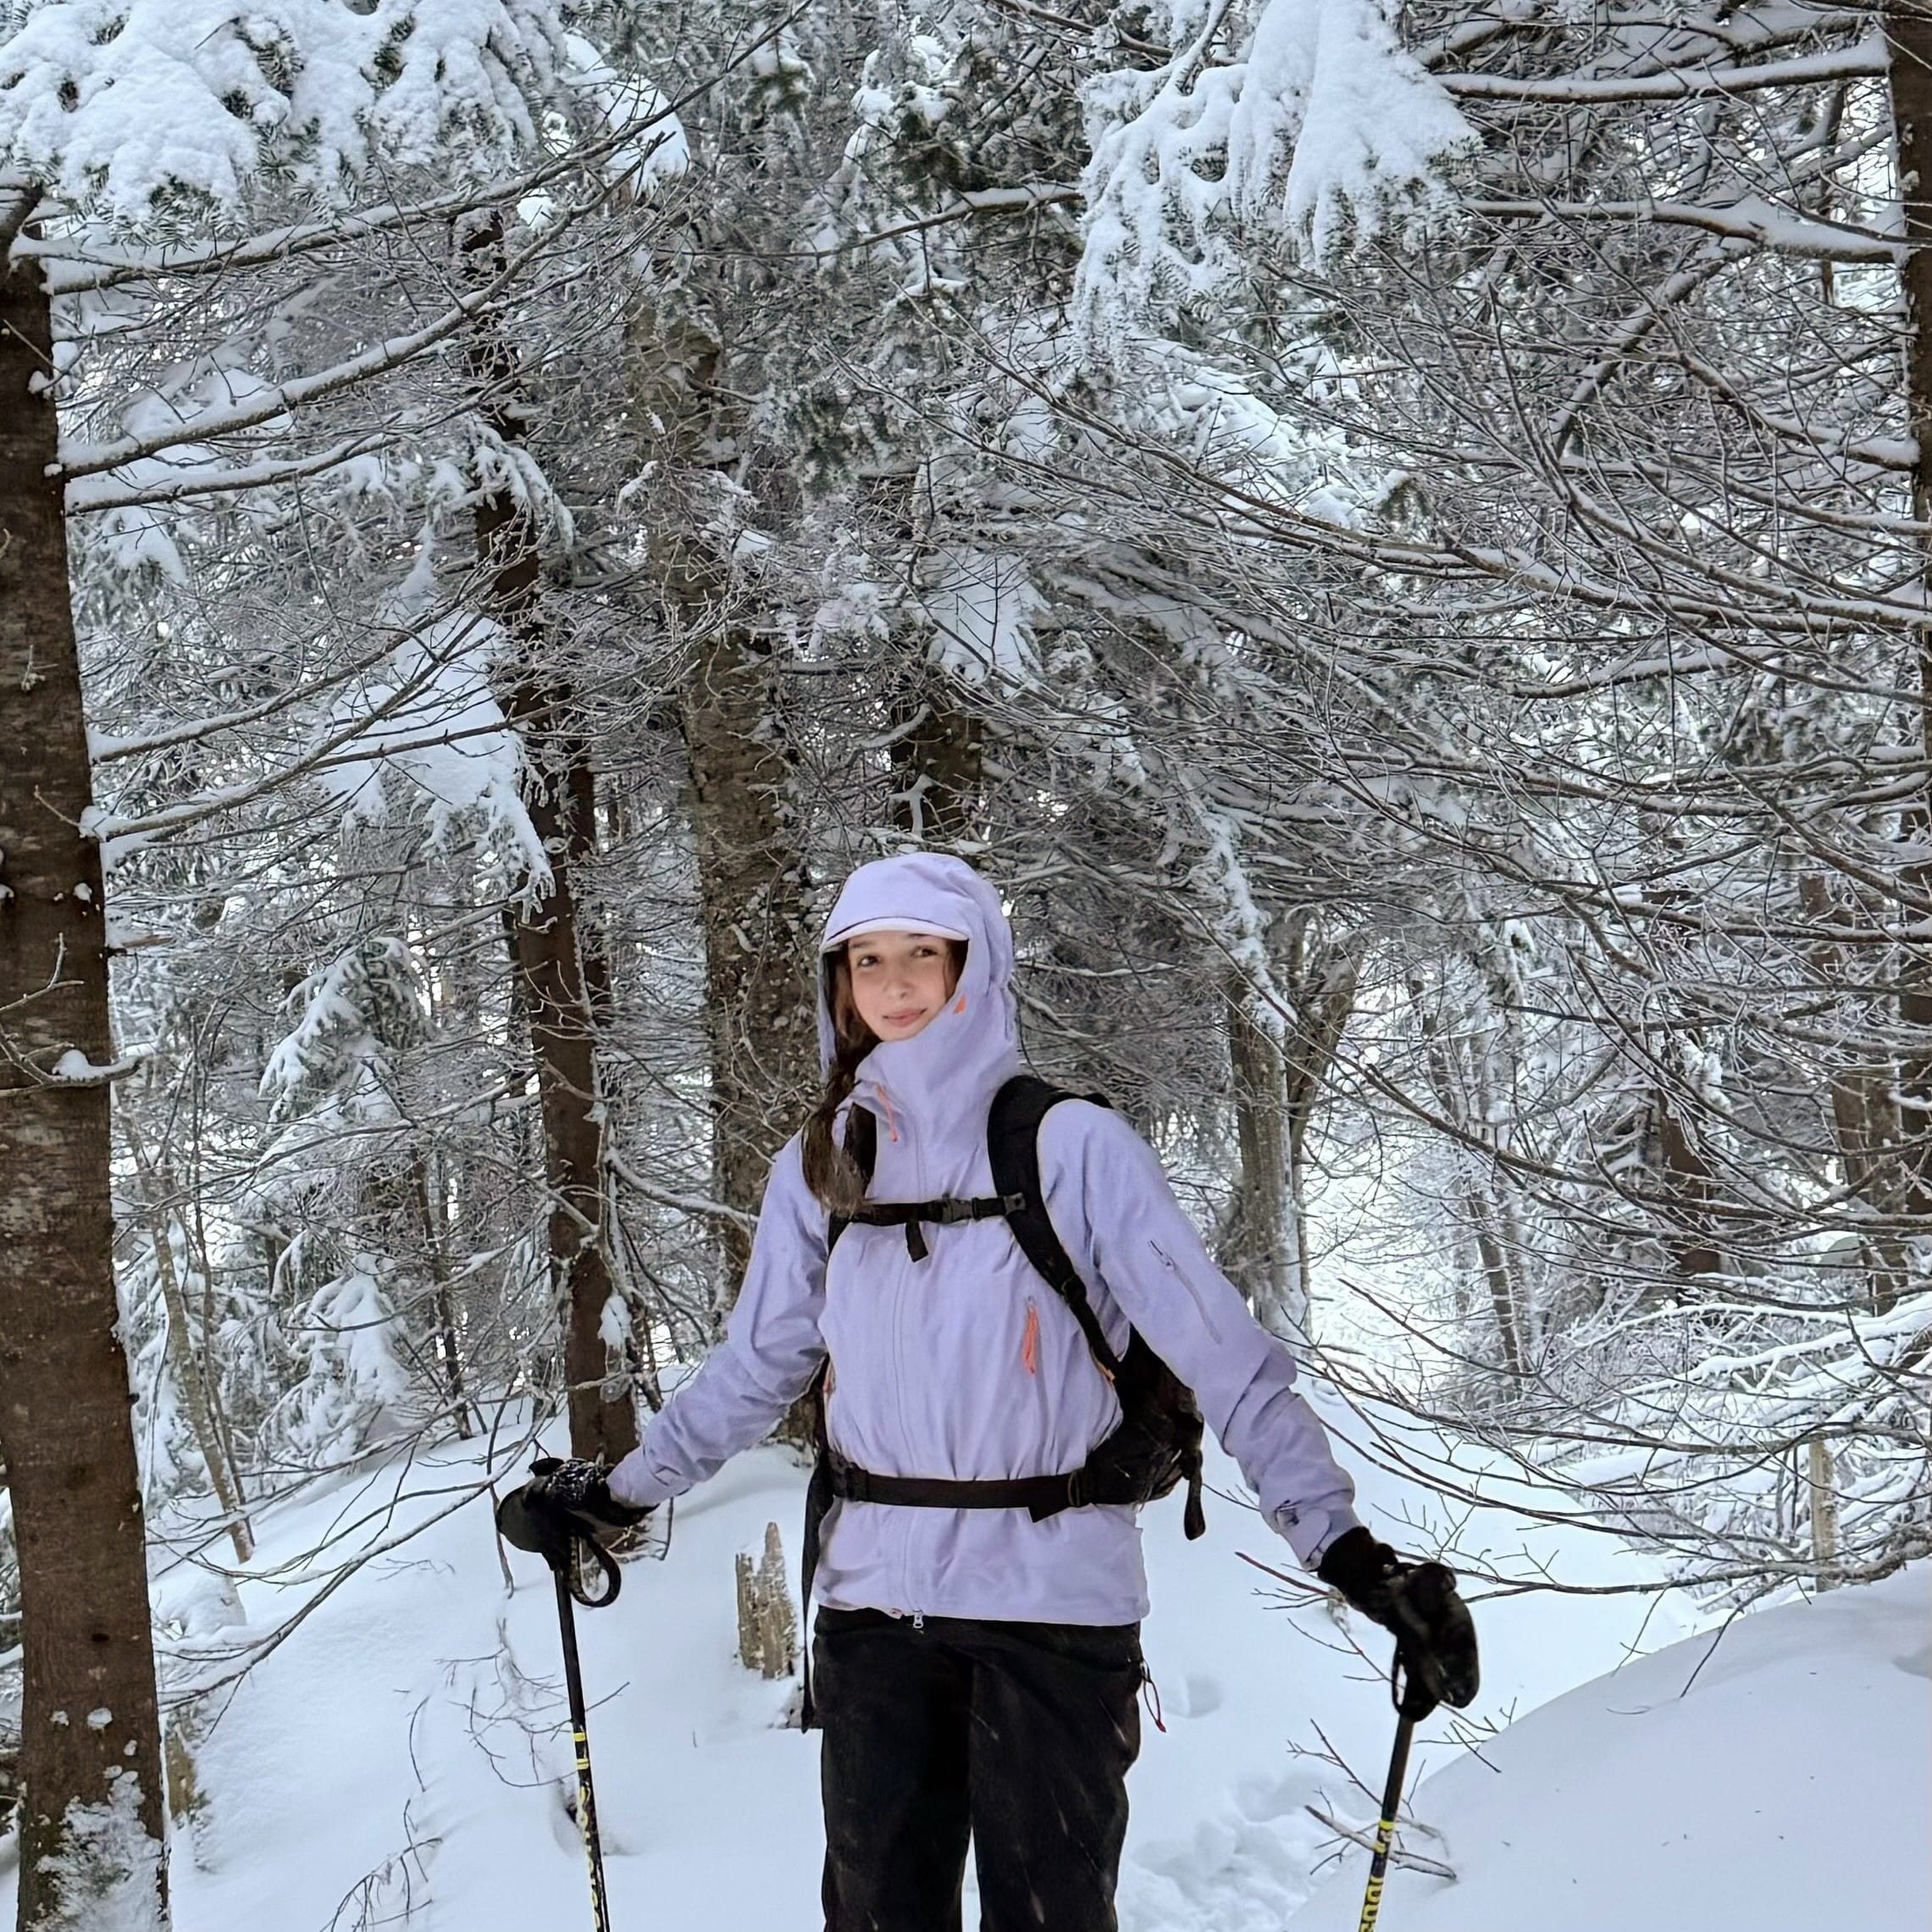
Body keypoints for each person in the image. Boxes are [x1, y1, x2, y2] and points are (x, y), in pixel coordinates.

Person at [512, 851, 1475, 1932]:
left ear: (975, 962)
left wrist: (1345, 1552)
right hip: (874, 1608)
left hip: (1050, 1606)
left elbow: (1226, 1358)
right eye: (865, 959)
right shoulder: (824, 1163)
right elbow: (755, 1366)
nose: (893, 983)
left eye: (922, 953)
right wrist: (619, 1493)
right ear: (838, 981)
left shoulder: (1073, 1147)